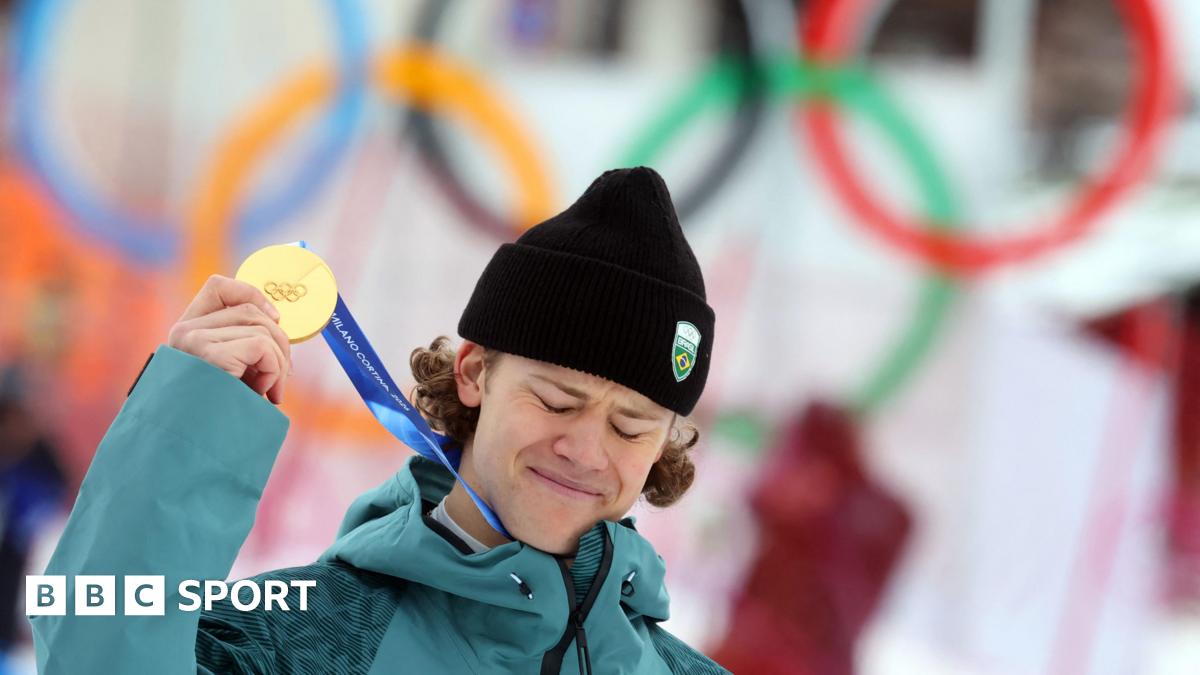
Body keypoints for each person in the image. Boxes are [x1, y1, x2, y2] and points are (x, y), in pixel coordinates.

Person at [29, 166, 727, 673]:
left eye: (631, 425)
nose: (584, 448)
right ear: (476, 371)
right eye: (555, 400)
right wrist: (185, 430)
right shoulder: (309, 641)